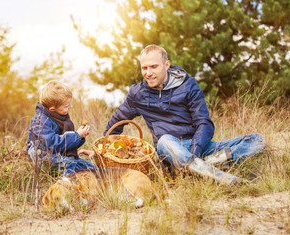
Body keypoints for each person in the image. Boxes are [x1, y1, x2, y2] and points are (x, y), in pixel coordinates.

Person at [103, 44, 266, 184]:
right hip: (168, 151)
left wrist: (195, 153)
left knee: (256, 140)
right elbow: (117, 123)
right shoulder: (137, 94)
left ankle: (198, 166)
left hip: (197, 145)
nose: (148, 73)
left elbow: (204, 123)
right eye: (144, 68)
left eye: (154, 66)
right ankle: (225, 178)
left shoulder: (188, 85)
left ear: (166, 65)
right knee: (164, 140)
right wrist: (104, 148)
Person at [27, 80, 96, 175]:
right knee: (76, 166)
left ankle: (72, 175)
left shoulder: (60, 117)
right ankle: (65, 183)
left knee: (90, 166)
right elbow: (52, 144)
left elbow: (65, 145)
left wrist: (80, 137)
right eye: (67, 106)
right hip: (43, 157)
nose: (70, 107)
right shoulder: (40, 121)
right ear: (52, 109)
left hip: (56, 154)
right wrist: (76, 136)